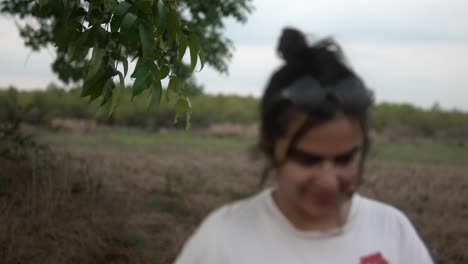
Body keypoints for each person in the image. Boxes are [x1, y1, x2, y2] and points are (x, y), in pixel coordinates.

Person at [174, 28, 434, 264]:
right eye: (308, 160)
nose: (329, 182)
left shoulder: (394, 232)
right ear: (269, 142)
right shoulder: (221, 242)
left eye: (345, 160)